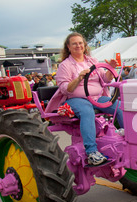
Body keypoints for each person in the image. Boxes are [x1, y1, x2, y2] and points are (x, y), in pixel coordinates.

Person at [45, 32, 124, 166]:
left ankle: (128, 138)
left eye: (80, 43)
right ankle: (91, 152)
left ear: (84, 45)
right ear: (68, 47)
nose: (78, 46)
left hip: (97, 97)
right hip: (75, 98)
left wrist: (110, 69)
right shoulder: (65, 65)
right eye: (74, 43)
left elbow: (105, 79)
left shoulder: (92, 61)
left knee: (120, 106)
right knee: (87, 111)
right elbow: (65, 88)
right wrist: (79, 78)